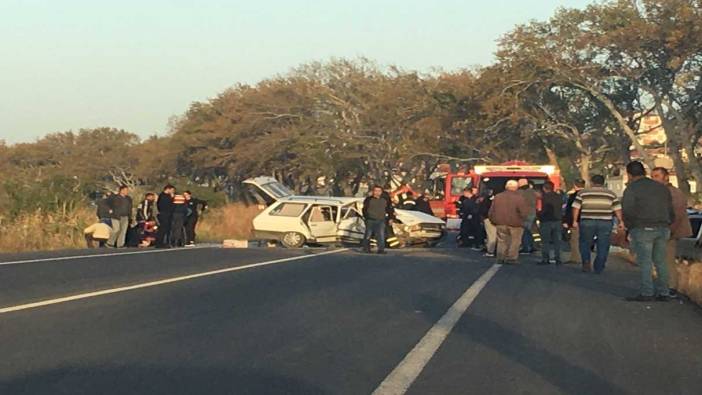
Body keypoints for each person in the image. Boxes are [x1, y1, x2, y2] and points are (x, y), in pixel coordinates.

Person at [623, 162, 675, 301]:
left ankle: (647, 292)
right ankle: (664, 292)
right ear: (645, 171)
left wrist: (630, 227)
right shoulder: (662, 188)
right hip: (663, 227)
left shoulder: (632, 188)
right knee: (661, 261)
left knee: (645, 262)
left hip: (642, 228)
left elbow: (627, 210)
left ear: (629, 174)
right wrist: (668, 223)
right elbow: (670, 209)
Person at [651, 167, 693, 298]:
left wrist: (669, 231)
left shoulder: (674, 193)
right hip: (662, 230)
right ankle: (665, 286)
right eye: (652, 176)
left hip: (670, 231)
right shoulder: (659, 192)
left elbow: (677, 214)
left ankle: (671, 288)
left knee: (667, 260)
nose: (654, 179)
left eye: (657, 176)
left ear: (666, 177)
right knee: (661, 260)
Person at [571, 175, 622, 273]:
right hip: (605, 222)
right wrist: (621, 221)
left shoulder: (583, 193)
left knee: (585, 243)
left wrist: (574, 221)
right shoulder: (611, 194)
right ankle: (599, 265)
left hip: (587, 221)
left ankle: (586, 262)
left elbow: (576, 207)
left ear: (591, 182)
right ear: (603, 182)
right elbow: (617, 208)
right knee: (603, 244)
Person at [489, 180, 529, 264]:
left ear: (506, 187)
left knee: (502, 241)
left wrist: (493, 220)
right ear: (516, 188)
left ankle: (500, 257)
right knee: (515, 241)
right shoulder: (519, 198)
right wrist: (523, 219)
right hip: (516, 223)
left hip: (500, 223)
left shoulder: (498, 197)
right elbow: (524, 212)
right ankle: (511, 258)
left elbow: (491, 210)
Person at [362, 185, 395, 254]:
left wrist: (391, 218)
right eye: (375, 191)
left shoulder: (385, 199)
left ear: (381, 192)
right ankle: (366, 249)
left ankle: (381, 249)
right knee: (368, 235)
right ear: (373, 191)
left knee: (381, 235)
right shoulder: (368, 199)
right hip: (370, 220)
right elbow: (364, 209)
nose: (377, 192)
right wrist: (366, 217)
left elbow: (390, 209)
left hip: (381, 220)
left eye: (378, 191)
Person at [538, 181, 563, 265]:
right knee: (557, 241)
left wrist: (539, 216)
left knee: (545, 241)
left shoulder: (542, 198)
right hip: (557, 220)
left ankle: (545, 258)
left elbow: (541, 210)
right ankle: (558, 258)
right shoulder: (559, 197)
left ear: (544, 188)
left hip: (546, 221)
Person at [563, 179, 586, 264]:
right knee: (585, 240)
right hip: (587, 220)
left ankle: (575, 258)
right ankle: (585, 258)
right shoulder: (587, 195)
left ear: (575, 185)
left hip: (576, 221)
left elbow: (569, 209)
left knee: (575, 240)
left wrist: (567, 221)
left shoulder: (573, 196)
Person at [518, 179, 538, 254]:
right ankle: (532, 246)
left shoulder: (520, 192)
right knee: (529, 230)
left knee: (524, 231)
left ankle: (526, 247)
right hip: (532, 213)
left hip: (524, 213)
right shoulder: (532, 191)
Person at [479, 190, 497, 257]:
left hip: (488, 218)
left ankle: (490, 250)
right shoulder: (499, 199)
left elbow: (483, 209)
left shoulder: (486, 200)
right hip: (499, 218)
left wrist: (484, 217)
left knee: (491, 235)